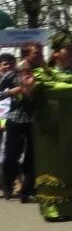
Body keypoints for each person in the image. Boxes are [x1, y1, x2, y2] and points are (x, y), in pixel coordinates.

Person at [25, 35, 72, 221]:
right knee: (51, 165)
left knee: (69, 164)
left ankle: (67, 208)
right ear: (56, 53)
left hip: (71, 128)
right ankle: (50, 210)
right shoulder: (42, 74)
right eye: (67, 49)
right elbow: (29, 99)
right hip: (48, 129)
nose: (71, 53)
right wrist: (28, 90)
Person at [0, 46, 30, 202]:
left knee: (30, 157)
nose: (27, 62)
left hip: (34, 120)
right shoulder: (12, 76)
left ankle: (26, 190)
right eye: (25, 58)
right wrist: (12, 92)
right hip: (15, 118)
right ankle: (8, 183)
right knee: (10, 156)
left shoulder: (39, 73)